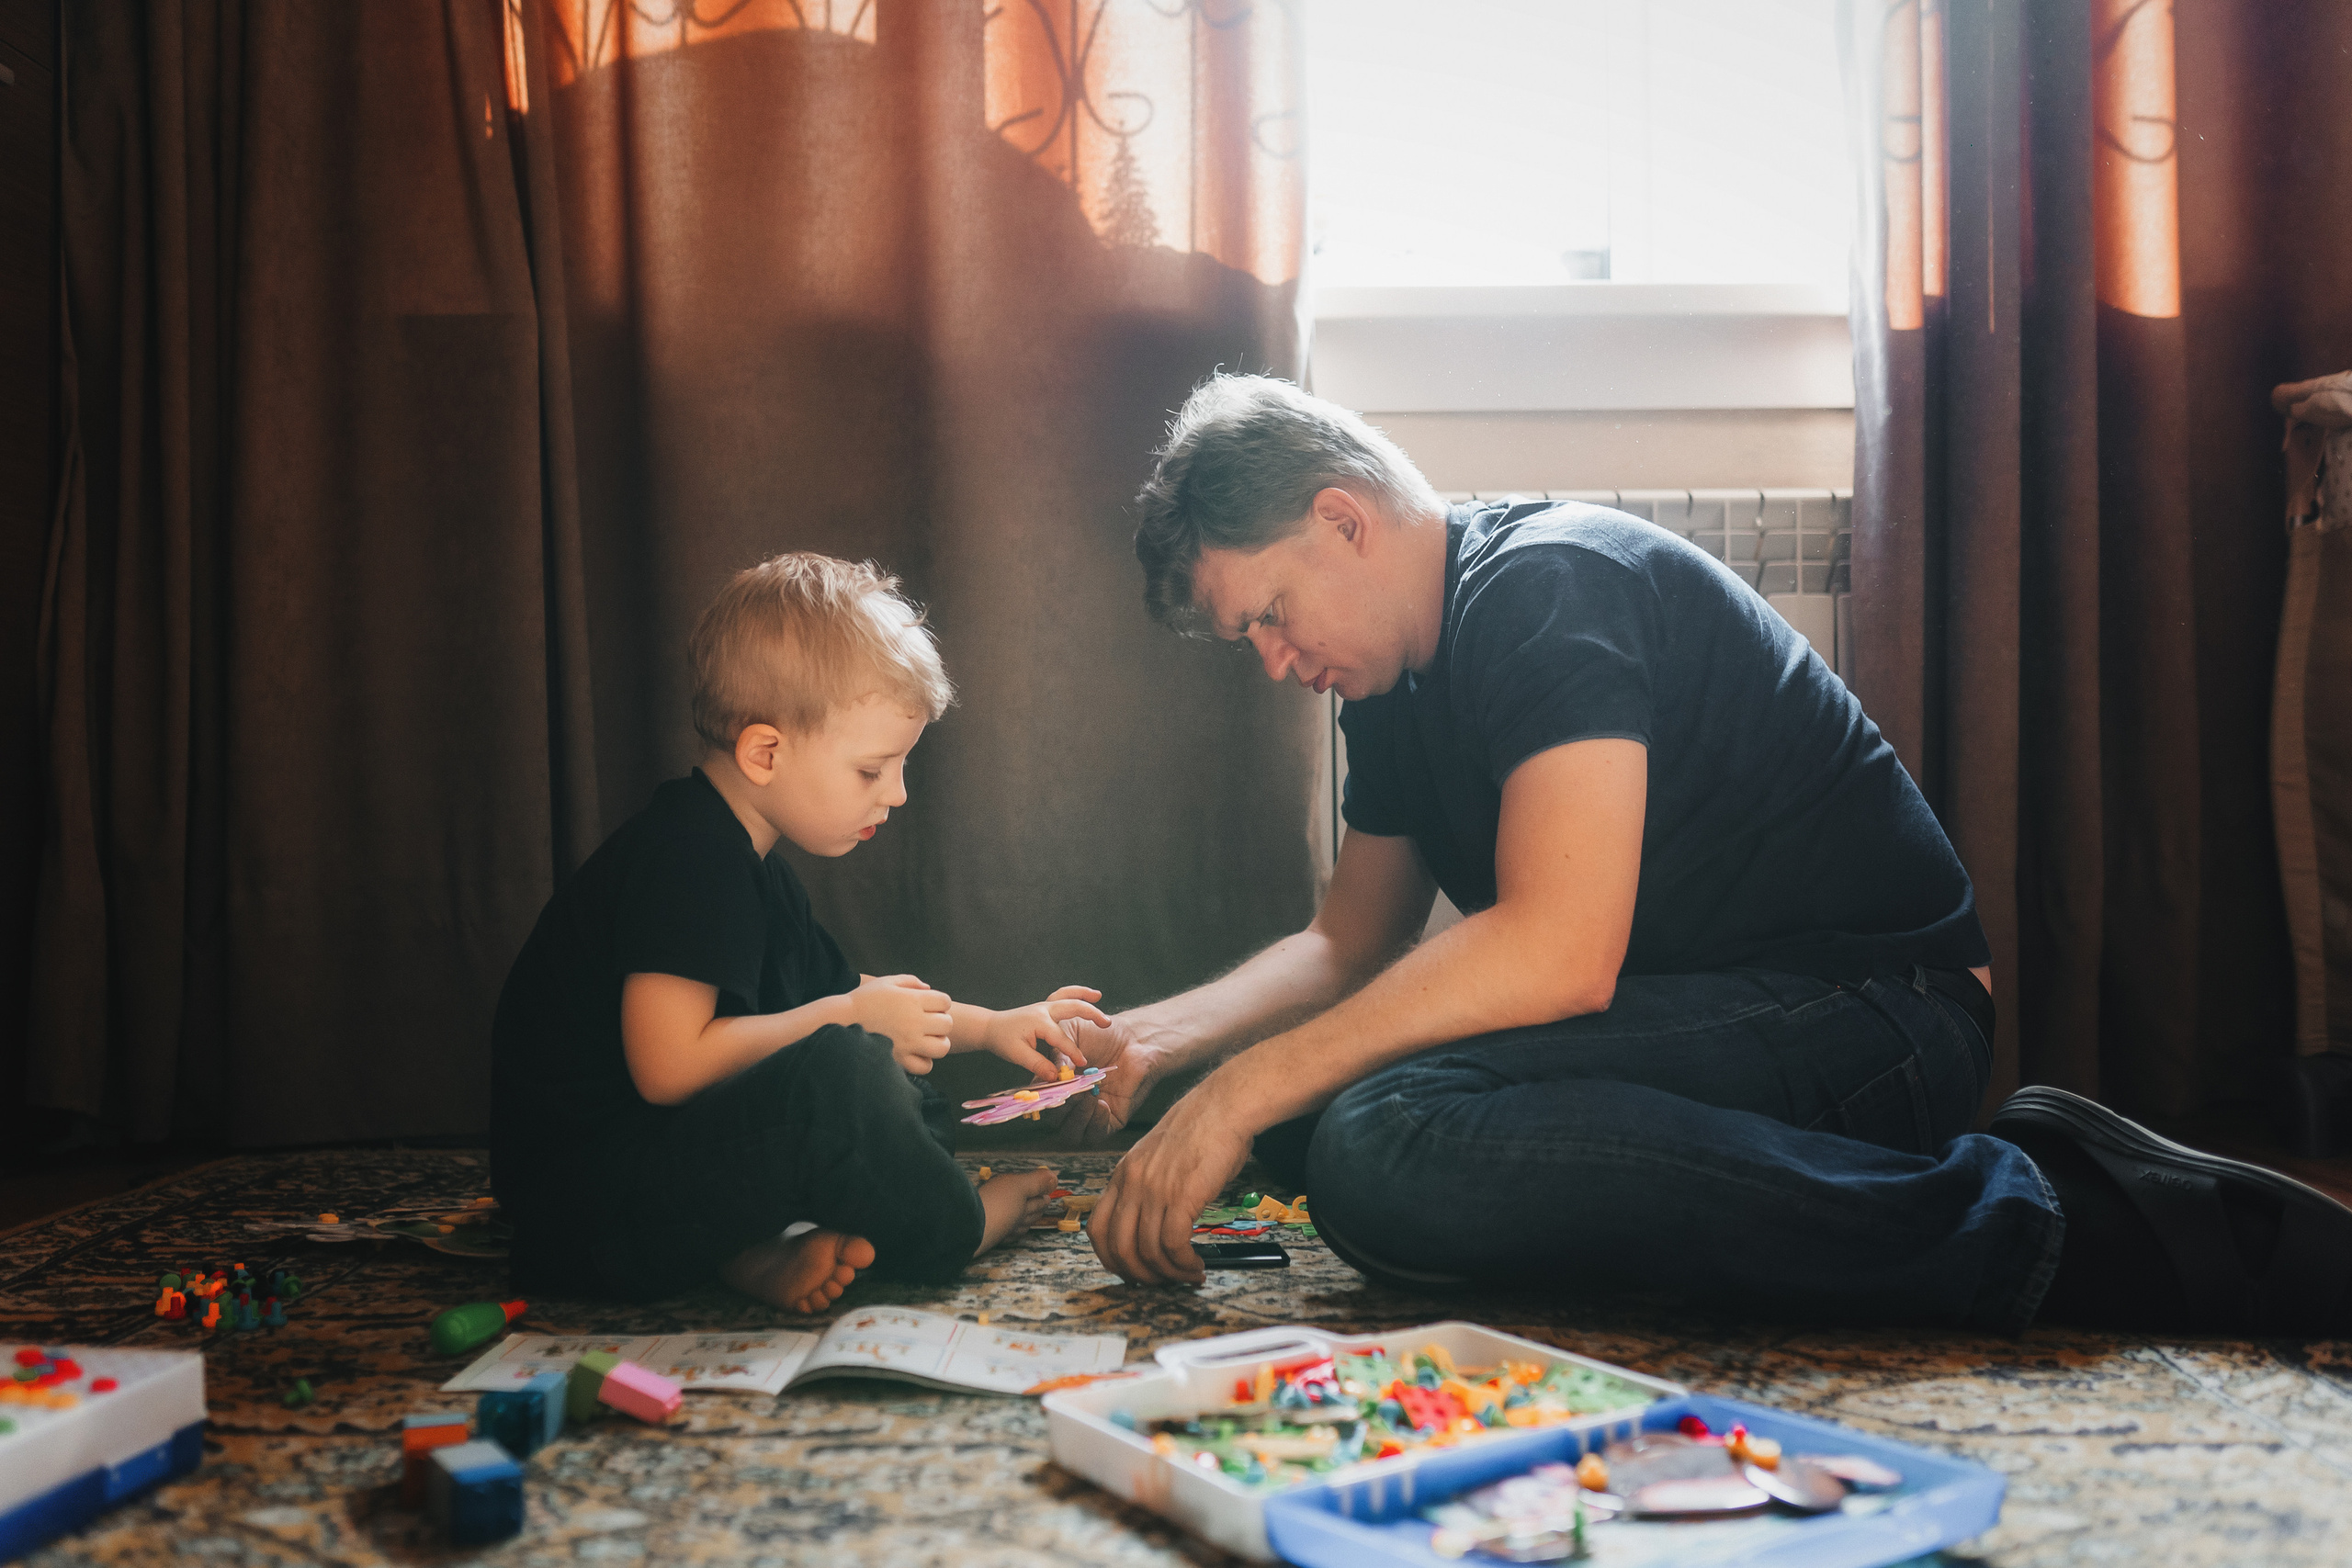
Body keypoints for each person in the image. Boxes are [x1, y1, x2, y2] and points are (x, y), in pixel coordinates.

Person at [1069, 374, 2352, 1337]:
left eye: (1270, 618)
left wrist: (1243, 1090)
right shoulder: (1395, 682)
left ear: (1343, 521)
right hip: (1699, 1011)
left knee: (1377, 1139)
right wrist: (1166, 1043)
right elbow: (1345, 942)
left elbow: (1558, 948)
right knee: (1314, 1126)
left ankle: (2053, 1218)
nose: (1278, 664)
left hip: (1877, 1011)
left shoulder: (1545, 587)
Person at [492, 553, 1105, 1311]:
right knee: (849, 1079)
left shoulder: (755, 871)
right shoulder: (685, 859)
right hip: (588, 1208)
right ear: (765, 752)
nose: (900, 793)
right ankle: (960, 1221)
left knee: (892, 1082)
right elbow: (667, 1065)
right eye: (872, 770)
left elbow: (848, 996)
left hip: (669, 1182)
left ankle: (746, 1250)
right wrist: (848, 1019)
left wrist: (991, 1027)